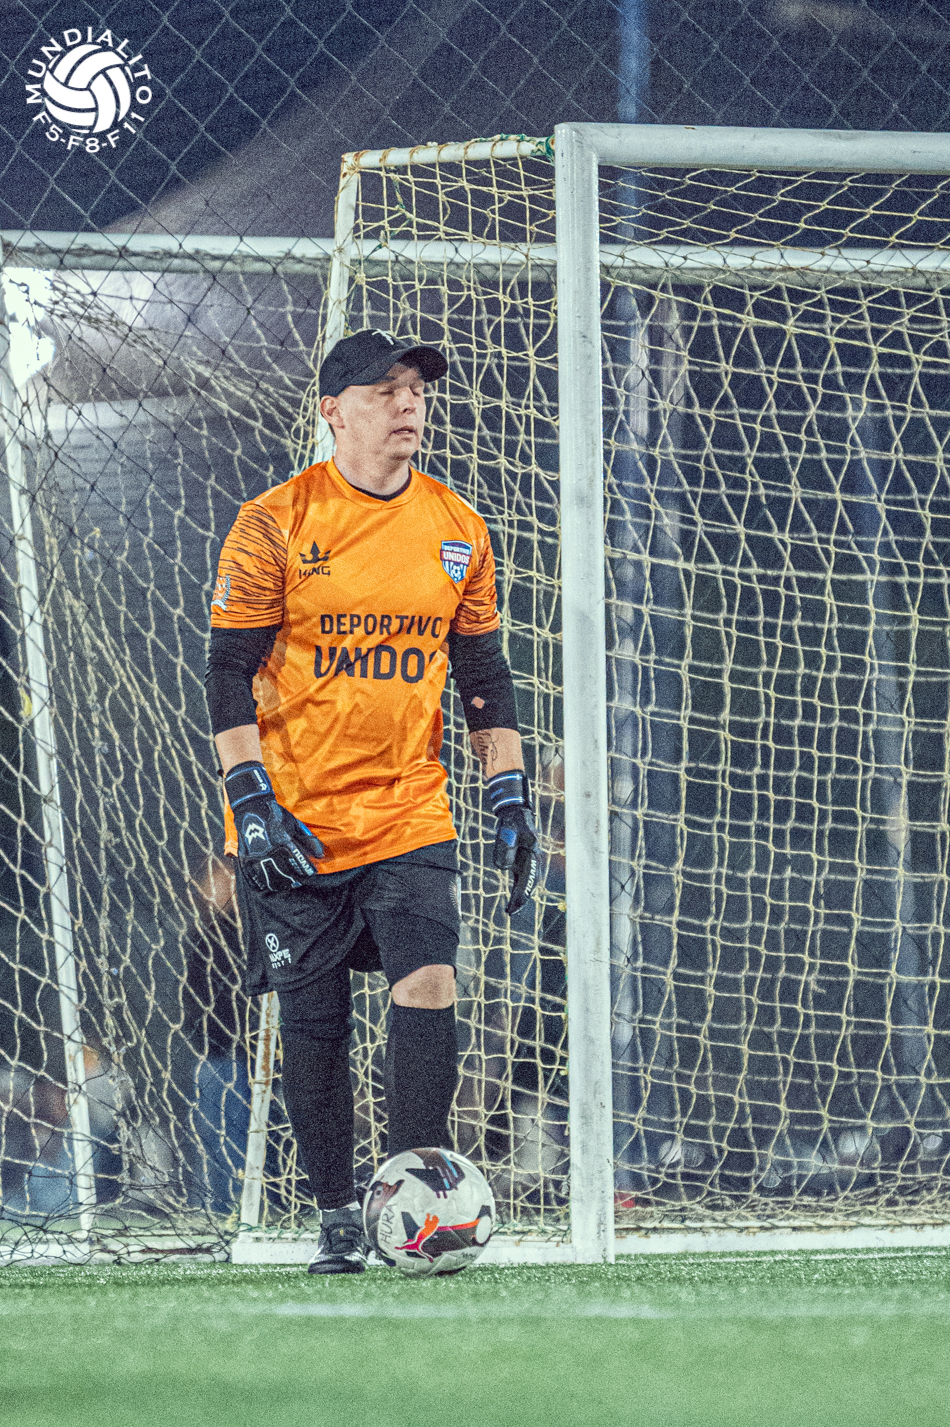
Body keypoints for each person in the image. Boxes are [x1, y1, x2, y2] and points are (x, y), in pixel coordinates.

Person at [204, 328, 539, 1273]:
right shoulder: (274, 522)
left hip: (409, 811)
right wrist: (250, 797)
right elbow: (228, 670)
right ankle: (337, 1218)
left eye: (415, 389)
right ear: (332, 411)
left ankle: (415, 1194)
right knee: (312, 1021)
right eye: (384, 389)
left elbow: (482, 671)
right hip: (296, 819)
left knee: (429, 979)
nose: (408, 403)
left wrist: (508, 791)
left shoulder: (459, 527)